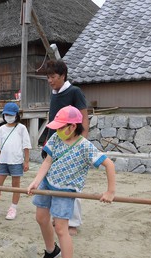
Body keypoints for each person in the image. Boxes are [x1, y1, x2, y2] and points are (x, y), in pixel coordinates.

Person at [27, 105, 115, 258]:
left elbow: (109, 164)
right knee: (41, 217)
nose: (57, 130)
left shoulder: (85, 146)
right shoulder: (56, 139)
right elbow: (47, 161)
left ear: (72, 126)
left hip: (66, 191)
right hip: (47, 183)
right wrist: (36, 181)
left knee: (61, 229)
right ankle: (51, 251)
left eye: (61, 127)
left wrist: (110, 192)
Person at [45, 59, 89, 236]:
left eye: (53, 77)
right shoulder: (54, 93)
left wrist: (80, 143)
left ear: (63, 76)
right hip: (54, 142)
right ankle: (60, 217)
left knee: (70, 184)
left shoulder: (74, 92)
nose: (50, 80)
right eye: (48, 77)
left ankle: (73, 222)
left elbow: (84, 118)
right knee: (54, 182)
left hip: (71, 144)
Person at [0, 102, 31, 220]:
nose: (8, 117)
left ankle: (13, 208)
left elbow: (26, 145)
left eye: (10, 114)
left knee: (16, 186)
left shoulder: (21, 128)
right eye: (6, 114)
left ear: (16, 115)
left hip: (16, 160)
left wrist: (26, 161)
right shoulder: (2, 129)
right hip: (3, 160)